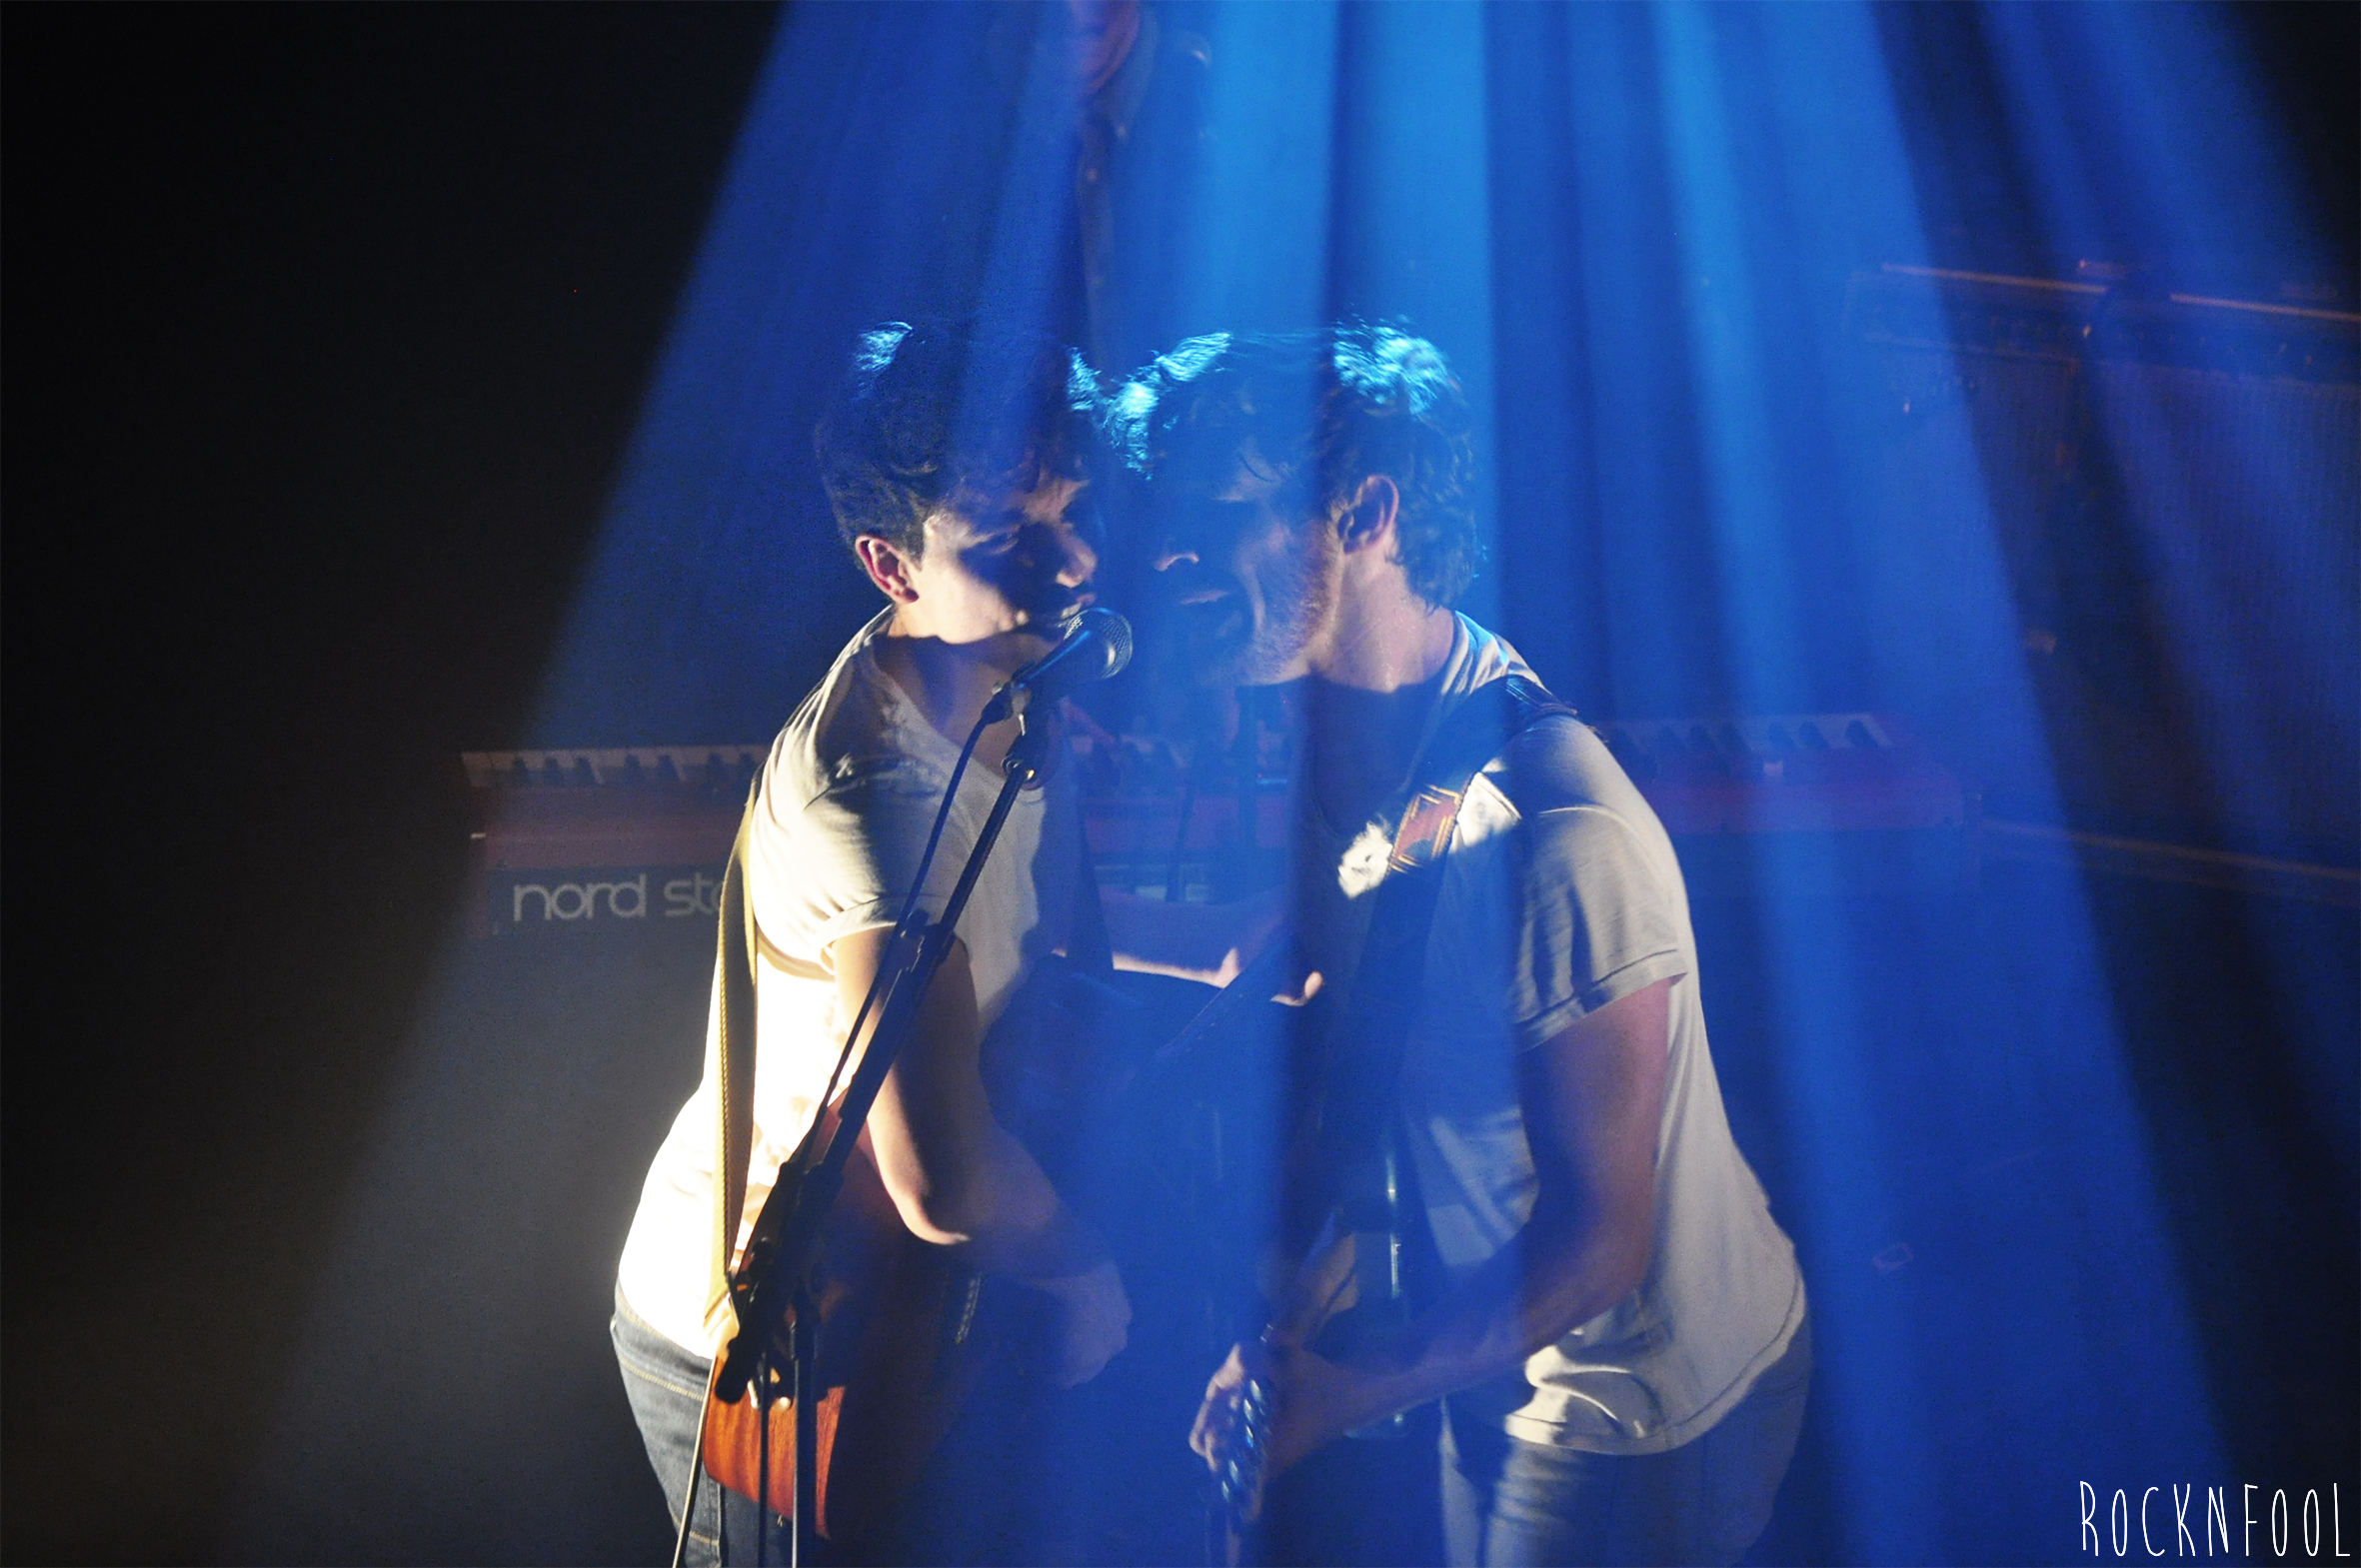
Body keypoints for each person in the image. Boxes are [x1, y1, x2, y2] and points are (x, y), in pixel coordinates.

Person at [1123, 326, 1812, 1567]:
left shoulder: (1557, 832)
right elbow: (1343, 967)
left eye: (1210, 514)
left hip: (1634, 1401)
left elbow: (1602, 1241)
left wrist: (1347, 1387)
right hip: (1484, 1350)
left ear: (1364, 513)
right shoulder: (1342, 736)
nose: (1167, 555)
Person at [609, 320, 1254, 1566]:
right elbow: (943, 1179)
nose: (1074, 562)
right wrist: (1080, 1274)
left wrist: (1210, 967)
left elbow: (994, 946)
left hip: (882, 1296)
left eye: (1078, 513)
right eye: (1010, 537)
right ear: (889, 566)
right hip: (768, 1338)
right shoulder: (884, 801)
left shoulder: (989, 679)